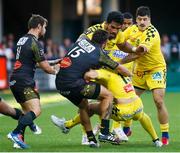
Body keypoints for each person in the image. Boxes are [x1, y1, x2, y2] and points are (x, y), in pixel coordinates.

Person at [77, 10, 147, 145]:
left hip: (104, 72)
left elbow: (122, 44)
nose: (115, 31)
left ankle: (105, 131)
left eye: (118, 28)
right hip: (88, 70)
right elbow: (78, 44)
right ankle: (86, 134)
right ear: (106, 23)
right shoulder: (93, 31)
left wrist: (133, 50)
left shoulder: (118, 34)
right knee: (83, 102)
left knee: (108, 99)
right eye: (113, 27)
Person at [54, 29, 132, 148]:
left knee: (84, 106)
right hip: (75, 84)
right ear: (105, 42)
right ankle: (104, 132)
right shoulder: (99, 53)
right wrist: (130, 75)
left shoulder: (81, 42)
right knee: (108, 95)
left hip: (60, 85)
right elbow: (119, 68)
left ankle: (91, 139)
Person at [51, 68, 163, 147]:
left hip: (122, 111)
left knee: (89, 108)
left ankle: (67, 125)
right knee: (142, 116)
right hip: (137, 105)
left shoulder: (106, 73)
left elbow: (90, 75)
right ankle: (156, 140)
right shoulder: (121, 72)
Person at [7, 14, 60, 149]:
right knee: (36, 110)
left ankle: (18, 142)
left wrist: (53, 61)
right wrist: (56, 70)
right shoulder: (35, 42)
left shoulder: (22, 39)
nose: (45, 30)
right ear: (39, 26)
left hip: (15, 80)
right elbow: (46, 69)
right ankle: (15, 133)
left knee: (26, 111)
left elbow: (30, 62)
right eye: (45, 27)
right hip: (24, 80)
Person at [120, 6, 169, 145]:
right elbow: (121, 40)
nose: (142, 22)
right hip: (140, 71)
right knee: (129, 99)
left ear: (150, 20)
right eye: (140, 19)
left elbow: (138, 53)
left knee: (158, 101)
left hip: (156, 69)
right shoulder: (132, 29)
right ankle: (127, 129)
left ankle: (165, 133)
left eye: (145, 19)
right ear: (136, 20)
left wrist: (117, 62)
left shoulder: (152, 33)